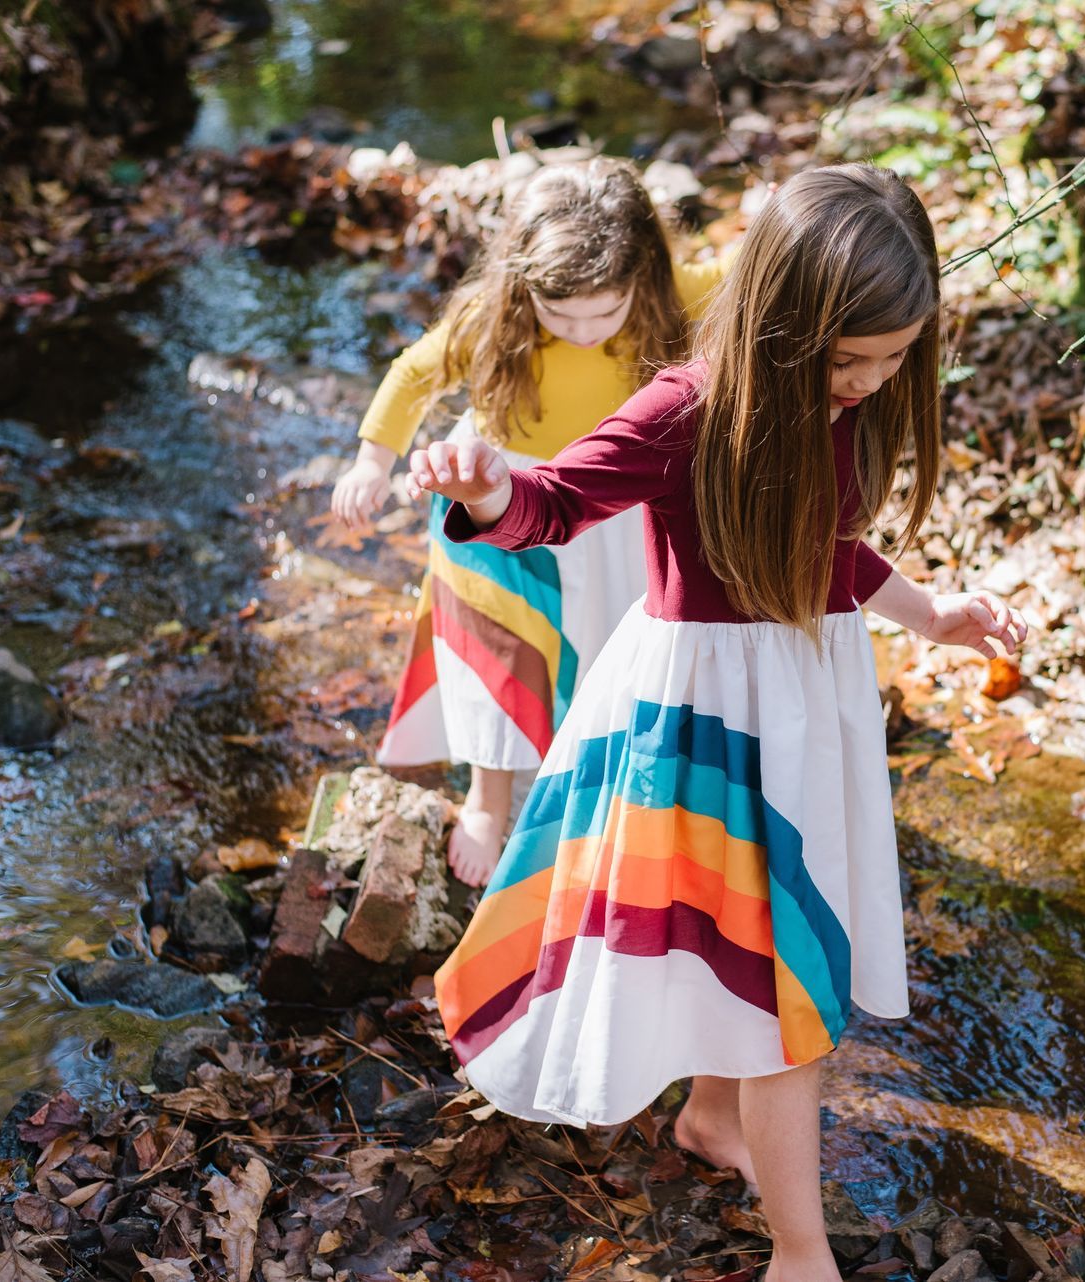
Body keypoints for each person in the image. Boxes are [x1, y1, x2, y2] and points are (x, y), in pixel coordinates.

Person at [410, 163, 1025, 1282]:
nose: (874, 382)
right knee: (784, 986)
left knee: (751, 944)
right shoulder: (684, 406)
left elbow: (825, 540)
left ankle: (711, 1117)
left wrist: (931, 613)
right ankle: (802, 1250)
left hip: (805, 700)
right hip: (705, 720)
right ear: (787, 323)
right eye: (854, 362)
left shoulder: (839, 403)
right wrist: (489, 488)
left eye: (895, 360)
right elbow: (557, 499)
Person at [332, 157, 723, 887]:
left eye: (603, 314)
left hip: (612, 505)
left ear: (644, 273)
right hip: (496, 495)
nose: (580, 331)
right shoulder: (492, 317)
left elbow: (766, 274)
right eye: (558, 314)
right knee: (498, 654)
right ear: (522, 284)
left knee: (612, 652)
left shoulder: (678, 294)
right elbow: (414, 374)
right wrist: (368, 461)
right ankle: (489, 797)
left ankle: (606, 785)